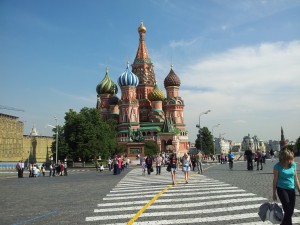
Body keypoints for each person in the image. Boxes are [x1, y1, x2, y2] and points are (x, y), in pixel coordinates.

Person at [273, 148, 300, 225]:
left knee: (291, 211)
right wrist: (274, 193)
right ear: (282, 159)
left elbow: (295, 177)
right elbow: (275, 180)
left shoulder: (293, 165)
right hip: (281, 189)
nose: (289, 161)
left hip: (291, 189)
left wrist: (299, 188)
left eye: (290, 159)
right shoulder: (277, 166)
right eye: (287, 160)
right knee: (287, 210)